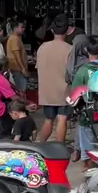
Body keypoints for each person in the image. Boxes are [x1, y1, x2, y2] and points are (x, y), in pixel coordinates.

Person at [36, 13, 72, 143]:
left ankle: (40, 145)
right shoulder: (70, 49)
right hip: (64, 90)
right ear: (68, 31)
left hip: (47, 91)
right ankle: (60, 148)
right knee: (62, 119)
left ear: (52, 30)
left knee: (48, 120)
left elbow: (39, 67)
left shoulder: (42, 48)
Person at [70, 35, 98, 170]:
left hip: (87, 113)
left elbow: (74, 95)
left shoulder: (82, 71)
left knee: (87, 138)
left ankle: (88, 165)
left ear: (85, 50)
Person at [6, 19, 29, 93]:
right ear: (15, 28)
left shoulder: (16, 38)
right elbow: (17, 55)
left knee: (21, 90)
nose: (23, 29)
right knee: (21, 90)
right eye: (22, 27)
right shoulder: (14, 39)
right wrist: (22, 68)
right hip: (18, 69)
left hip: (17, 69)